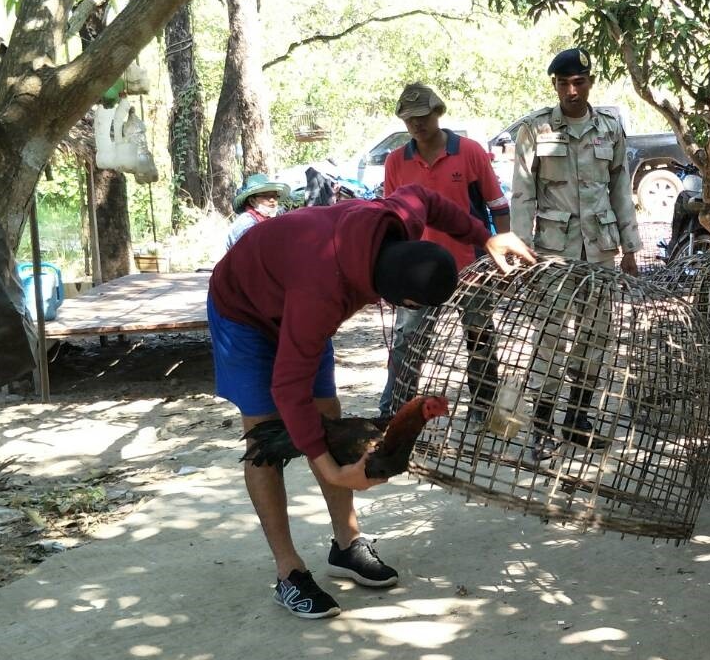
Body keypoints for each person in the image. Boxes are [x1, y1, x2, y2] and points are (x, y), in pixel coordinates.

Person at [208, 187, 535, 618]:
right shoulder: (320, 295)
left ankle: (346, 543)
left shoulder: (398, 219)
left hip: (293, 285)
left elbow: (431, 198)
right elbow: (289, 386)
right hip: (243, 309)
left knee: (327, 415)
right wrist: (334, 471)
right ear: (404, 301)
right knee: (266, 434)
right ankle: (288, 572)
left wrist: (484, 235)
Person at [508, 47, 641, 461]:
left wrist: (631, 248)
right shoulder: (535, 130)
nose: (572, 90)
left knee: (596, 337)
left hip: (600, 250)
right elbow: (522, 195)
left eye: (579, 82)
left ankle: (578, 419)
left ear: (590, 82)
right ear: (554, 84)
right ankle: (543, 427)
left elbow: (620, 189)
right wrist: (519, 248)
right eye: (564, 83)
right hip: (552, 252)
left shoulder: (609, 128)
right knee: (550, 340)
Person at [377, 83, 511, 420]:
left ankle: (483, 404)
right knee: (409, 340)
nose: (417, 125)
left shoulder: (469, 152)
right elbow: (390, 218)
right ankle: (395, 410)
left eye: (422, 116)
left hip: (470, 264)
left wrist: (502, 251)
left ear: (437, 113)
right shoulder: (396, 161)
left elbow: (497, 205)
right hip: (417, 270)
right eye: (409, 120)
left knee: (479, 335)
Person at [225, 173, 289, 248]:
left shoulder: (266, 219)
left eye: (275, 196)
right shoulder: (246, 224)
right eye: (266, 196)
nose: (272, 200)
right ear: (252, 201)